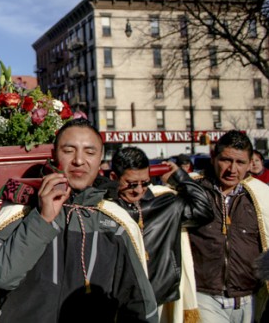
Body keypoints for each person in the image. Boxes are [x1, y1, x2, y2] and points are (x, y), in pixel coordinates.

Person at [0, 118, 158, 323]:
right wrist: (42, 219)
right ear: (54, 156)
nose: (79, 160)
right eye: (69, 151)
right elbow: (1, 276)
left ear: (100, 160)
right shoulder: (22, 208)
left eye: (89, 152)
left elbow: (140, 303)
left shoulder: (115, 222)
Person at [107, 146, 213, 322]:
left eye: (145, 183)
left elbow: (204, 211)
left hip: (160, 295)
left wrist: (180, 176)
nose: (138, 190)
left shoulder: (165, 202)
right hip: (119, 299)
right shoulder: (105, 207)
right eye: (131, 184)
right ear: (114, 178)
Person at [186, 130, 269, 322]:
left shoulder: (261, 197)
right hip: (206, 298)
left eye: (240, 163)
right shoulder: (193, 190)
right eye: (226, 160)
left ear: (250, 164)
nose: (232, 169)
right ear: (214, 157)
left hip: (250, 299)